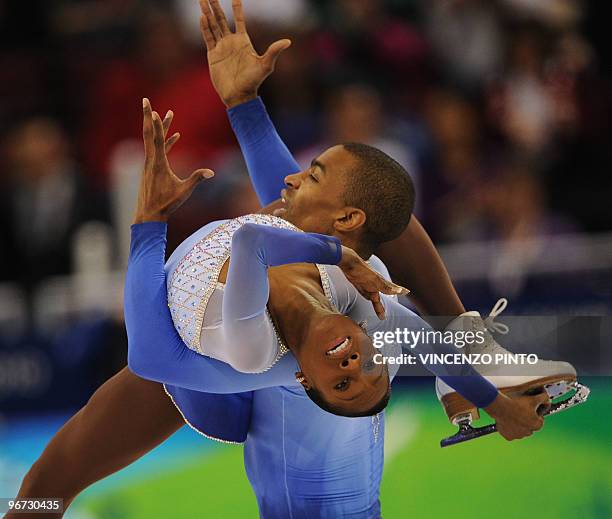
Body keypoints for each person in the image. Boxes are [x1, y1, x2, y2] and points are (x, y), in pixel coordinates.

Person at [6, 2, 551, 518]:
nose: (293, 176)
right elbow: (407, 326)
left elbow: (158, 350)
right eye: (308, 169)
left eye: (312, 174)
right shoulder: (346, 286)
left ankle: (462, 340)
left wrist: (148, 223)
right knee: (41, 492)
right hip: (237, 343)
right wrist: (243, 103)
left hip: (203, 359)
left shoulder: (273, 333)